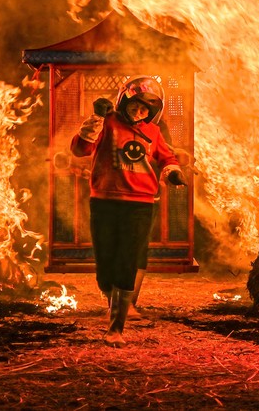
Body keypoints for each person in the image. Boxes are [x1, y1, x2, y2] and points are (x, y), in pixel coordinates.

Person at [71, 76, 187, 346]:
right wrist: (96, 118)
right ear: (124, 102)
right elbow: (79, 149)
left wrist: (172, 172)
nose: (139, 112)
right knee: (105, 264)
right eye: (135, 106)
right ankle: (110, 301)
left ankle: (116, 328)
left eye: (145, 109)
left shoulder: (153, 132)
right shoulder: (108, 123)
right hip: (104, 200)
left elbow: (167, 157)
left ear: (152, 112)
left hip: (140, 203)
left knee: (126, 260)